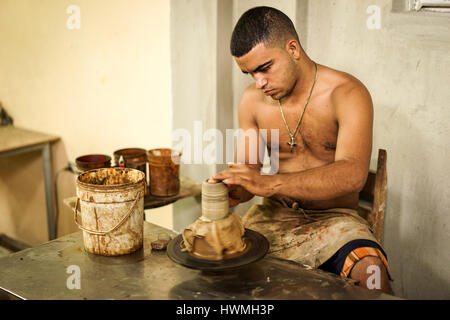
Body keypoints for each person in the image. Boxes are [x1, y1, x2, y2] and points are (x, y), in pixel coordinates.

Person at [210, 6, 393, 294]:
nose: (259, 83)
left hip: (335, 220)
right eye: (249, 74)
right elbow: (249, 171)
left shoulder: (347, 93)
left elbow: (352, 175)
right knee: (215, 273)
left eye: (265, 68)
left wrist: (269, 184)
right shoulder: (251, 101)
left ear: (292, 48)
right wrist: (237, 186)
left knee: (372, 272)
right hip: (273, 217)